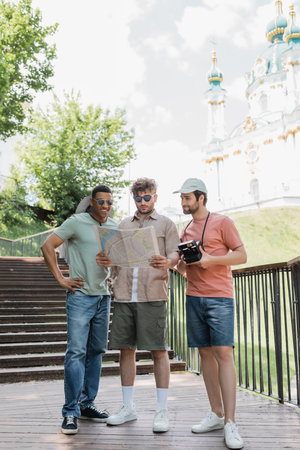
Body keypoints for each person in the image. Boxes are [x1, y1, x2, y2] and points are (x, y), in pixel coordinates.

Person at [96, 177, 179, 433]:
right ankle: (127, 407)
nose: (143, 202)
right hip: (123, 294)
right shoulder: (123, 225)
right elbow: (115, 258)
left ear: (155, 196)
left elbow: (176, 254)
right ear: (134, 199)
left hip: (152, 294)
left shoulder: (166, 224)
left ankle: (161, 410)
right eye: (138, 198)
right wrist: (106, 263)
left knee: (158, 351)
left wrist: (168, 262)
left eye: (147, 197)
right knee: (125, 350)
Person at [174, 178, 247, 450]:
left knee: (224, 354)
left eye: (187, 198)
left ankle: (230, 422)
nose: (183, 202)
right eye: (181, 198)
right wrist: (182, 266)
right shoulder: (186, 229)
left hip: (219, 298)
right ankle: (216, 414)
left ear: (201, 198)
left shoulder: (222, 222)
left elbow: (241, 256)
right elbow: (184, 268)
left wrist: (210, 260)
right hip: (193, 298)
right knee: (205, 354)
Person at [41, 185, 117, 435]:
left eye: (109, 202)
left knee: (96, 351)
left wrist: (113, 273)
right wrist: (61, 279)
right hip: (80, 297)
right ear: (92, 203)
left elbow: (116, 260)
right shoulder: (76, 222)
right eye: (101, 202)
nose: (105, 206)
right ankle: (70, 411)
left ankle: (87, 404)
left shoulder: (113, 227)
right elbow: (47, 246)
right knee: (76, 352)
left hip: (103, 297)